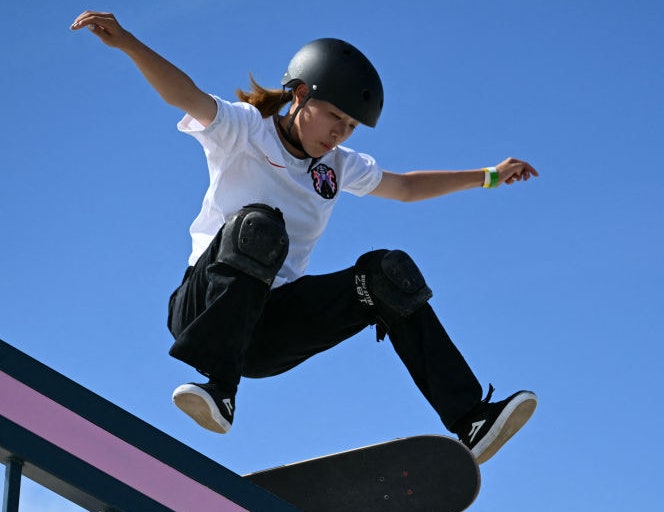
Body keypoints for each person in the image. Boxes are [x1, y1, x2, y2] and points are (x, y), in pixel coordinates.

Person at [71, 10, 538, 464]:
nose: (339, 133)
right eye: (333, 116)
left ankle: (471, 419)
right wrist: (128, 42)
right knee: (261, 225)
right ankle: (218, 387)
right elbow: (185, 94)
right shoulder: (245, 130)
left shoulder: (338, 167)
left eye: (350, 126)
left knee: (387, 274)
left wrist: (490, 176)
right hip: (204, 307)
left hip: (269, 331)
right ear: (298, 95)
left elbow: (406, 187)